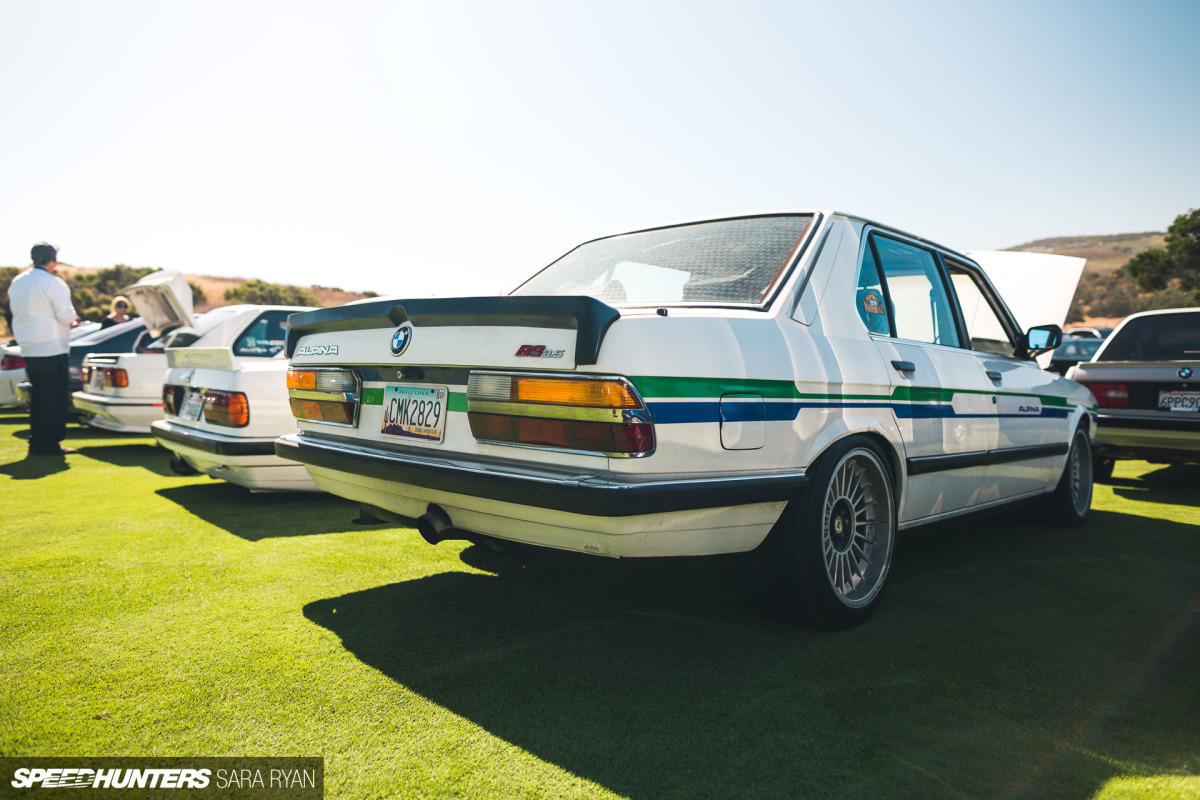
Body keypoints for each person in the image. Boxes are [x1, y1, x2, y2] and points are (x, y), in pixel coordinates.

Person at [7, 242, 79, 456]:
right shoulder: (53, 283)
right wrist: (73, 321)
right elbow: (66, 316)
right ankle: (48, 444)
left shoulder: (18, 282)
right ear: (53, 261)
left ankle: (36, 441)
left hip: (29, 348)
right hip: (51, 347)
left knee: (38, 398)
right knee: (53, 399)